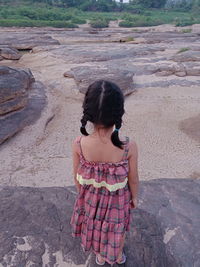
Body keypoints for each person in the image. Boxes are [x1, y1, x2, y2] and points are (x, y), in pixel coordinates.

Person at [70, 80, 139, 266]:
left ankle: (100, 256)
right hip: (118, 201)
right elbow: (133, 179)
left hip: (90, 198)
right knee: (117, 230)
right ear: (119, 111)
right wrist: (134, 198)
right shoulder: (128, 146)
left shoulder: (78, 143)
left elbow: (76, 176)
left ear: (88, 111)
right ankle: (116, 257)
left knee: (95, 225)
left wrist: (83, 196)